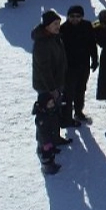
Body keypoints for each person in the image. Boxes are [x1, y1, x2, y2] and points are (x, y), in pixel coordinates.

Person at [31, 10, 70, 146]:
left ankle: (55, 138)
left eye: (58, 23)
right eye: (55, 24)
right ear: (47, 26)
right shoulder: (42, 43)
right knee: (46, 116)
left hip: (56, 82)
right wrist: (52, 88)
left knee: (54, 114)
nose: (58, 26)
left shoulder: (54, 37)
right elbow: (44, 69)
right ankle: (45, 144)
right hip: (46, 86)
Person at [60, 5, 98, 126]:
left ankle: (78, 111)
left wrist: (95, 59)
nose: (75, 19)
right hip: (69, 67)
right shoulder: (63, 29)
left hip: (84, 64)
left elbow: (92, 44)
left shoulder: (87, 26)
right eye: (72, 16)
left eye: (78, 16)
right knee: (68, 92)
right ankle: (66, 116)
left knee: (81, 89)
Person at [34, 91, 64, 174]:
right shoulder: (41, 118)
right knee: (46, 155)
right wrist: (45, 143)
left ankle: (52, 163)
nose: (52, 105)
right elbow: (42, 133)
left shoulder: (51, 111)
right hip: (44, 142)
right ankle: (47, 168)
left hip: (51, 137)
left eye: (52, 103)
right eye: (49, 104)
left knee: (51, 153)